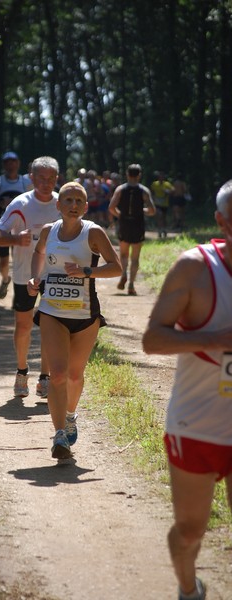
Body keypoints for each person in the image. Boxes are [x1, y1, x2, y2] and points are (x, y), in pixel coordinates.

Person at [142, 179, 232, 600]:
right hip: (197, 425)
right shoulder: (194, 269)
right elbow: (152, 340)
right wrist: (215, 339)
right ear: (221, 221)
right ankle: (187, 588)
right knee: (192, 529)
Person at [27, 181, 121, 459]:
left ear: (86, 206)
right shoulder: (48, 231)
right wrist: (36, 277)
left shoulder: (93, 232)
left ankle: (69, 416)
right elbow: (39, 253)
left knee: (75, 375)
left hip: (85, 315)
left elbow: (116, 267)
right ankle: (59, 436)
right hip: (52, 312)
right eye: (68, 200)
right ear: (58, 205)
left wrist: (86, 271)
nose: (73, 205)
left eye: (79, 201)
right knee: (57, 374)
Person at [0, 156, 61, 399]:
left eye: (51, 178)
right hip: (24, 274)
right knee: (23, 326)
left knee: (51, 327)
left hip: (56, 274)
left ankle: (45, 378)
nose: (46, 182)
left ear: (56, 179)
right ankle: (22, 371)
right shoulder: (20, 203)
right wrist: (14, 239)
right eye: (41, 178)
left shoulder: (62, 203)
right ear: (31, 178)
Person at [0, 151, 30, 299]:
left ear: (18, 163)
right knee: (4, 261)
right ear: (4, 164)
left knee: (19, 261)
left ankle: (18, 292)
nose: (11, 164)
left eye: (13, 161)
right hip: (3, 227)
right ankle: (5, 279)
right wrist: (0, 203)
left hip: (22, 227)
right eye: (7, 162)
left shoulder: (25, 182)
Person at [108, 164, 156, 296]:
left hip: (124, 223)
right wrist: (141, 211)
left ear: (127, 175)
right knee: (135, 257)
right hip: (138, 224)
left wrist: (121, 215)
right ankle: (131, 285)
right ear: (139, 175)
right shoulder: (144, 191)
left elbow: (111, 207)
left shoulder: (120, 189)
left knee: (123, 254)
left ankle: (123, 274)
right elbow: (152, 210)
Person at [151, 171, 175, 238]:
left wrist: (168, 191)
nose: (161, 178)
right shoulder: (155, 184)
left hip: (165, 203)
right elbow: (151, 192)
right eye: (160, 177)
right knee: (159, 216)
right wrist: (153, 199)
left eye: (162, 177)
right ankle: (159, 231)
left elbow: (173, 190)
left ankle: (164, 230)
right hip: (157, 203)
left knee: (164, 217)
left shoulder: (167, 184)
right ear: (158, 177)